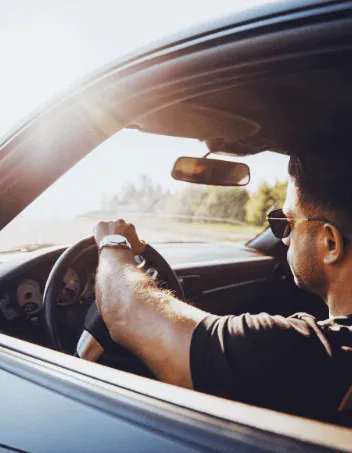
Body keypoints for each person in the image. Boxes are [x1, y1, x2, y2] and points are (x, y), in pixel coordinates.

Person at [93, 152, 352, 424]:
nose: (285, 240)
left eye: (287, 223)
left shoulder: (304, 353)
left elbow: (125, 312)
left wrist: (112, 244)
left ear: (330, 244)